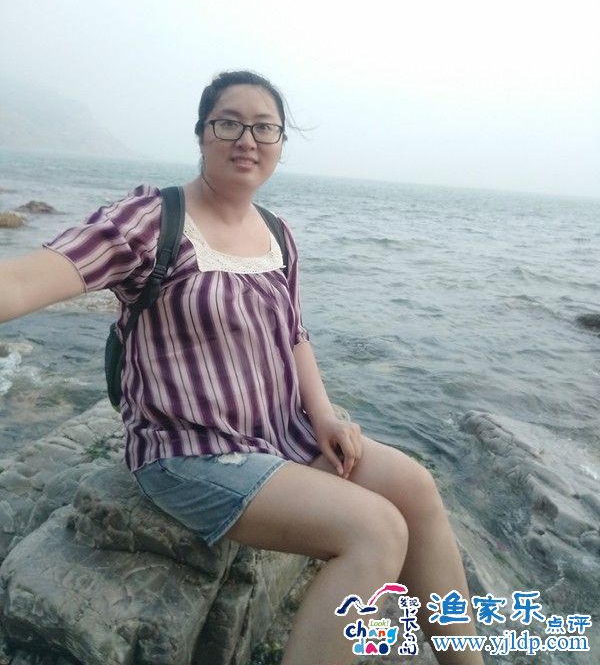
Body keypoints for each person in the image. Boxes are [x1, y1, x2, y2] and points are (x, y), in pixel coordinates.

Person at [0, 71, 484, 665]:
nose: (247, 140)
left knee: (416, 488)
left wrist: (324, 417)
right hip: (191, 450)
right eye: (229, 123)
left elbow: (294, 335)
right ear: (202, 133)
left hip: (282, 436)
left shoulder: (277, 232)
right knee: (375, 530)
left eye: (264, 128)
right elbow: (22, 281)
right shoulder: (150, 220)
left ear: (280, 143)